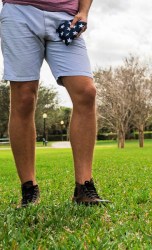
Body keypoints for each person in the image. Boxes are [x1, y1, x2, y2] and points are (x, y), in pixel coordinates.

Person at [0, 0, 108, 207]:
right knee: (23, 98)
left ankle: (83, 187)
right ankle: (29, 188)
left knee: (86, 92)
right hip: (19, 11)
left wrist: (84, 11)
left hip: (66, 16)